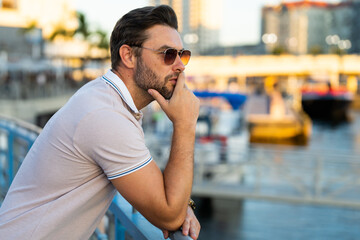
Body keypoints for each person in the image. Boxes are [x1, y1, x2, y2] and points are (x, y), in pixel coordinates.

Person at [0, 5, 201, 239]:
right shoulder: (105, 114)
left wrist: (179, 203)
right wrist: (185, 124)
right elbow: (168, 215)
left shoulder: (107, 100)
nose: (180, 65)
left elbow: (162, 198)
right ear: (128, 56)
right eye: (168, 54)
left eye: (182, 55)